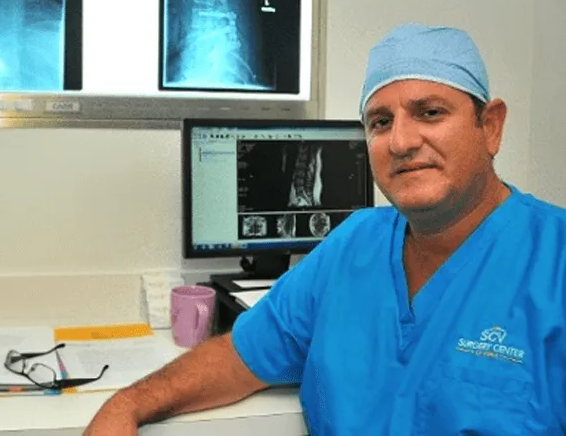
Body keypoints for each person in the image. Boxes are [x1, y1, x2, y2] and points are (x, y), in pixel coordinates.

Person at [83, 23, 566, 435]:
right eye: (380, 122)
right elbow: (239, 356)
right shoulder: (354, 245)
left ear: (491, 126)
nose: (400, 140)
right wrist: (127, 404)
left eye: (430, 112)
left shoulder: (554, 263)